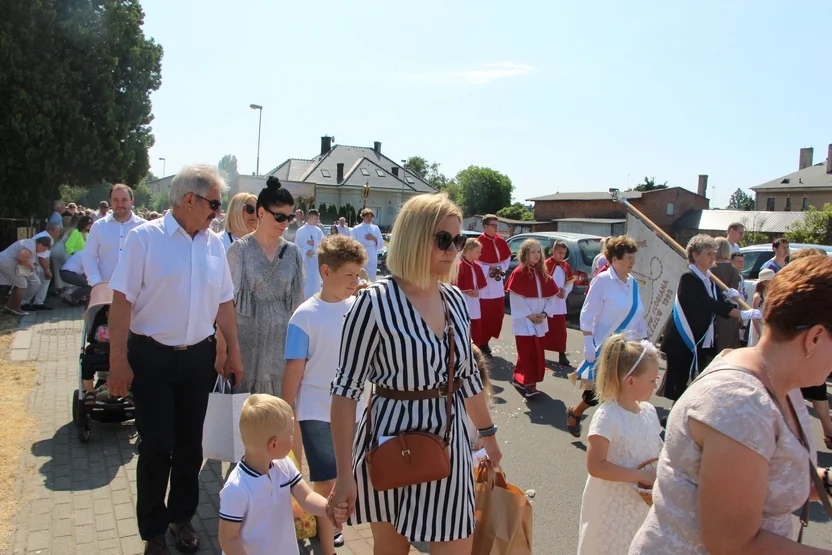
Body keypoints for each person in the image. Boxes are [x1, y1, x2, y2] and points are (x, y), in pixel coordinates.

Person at [329, 193, 501, 554]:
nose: (453, 249)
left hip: (449, 444)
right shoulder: (372, 303)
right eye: (443, 239)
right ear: (414, 237)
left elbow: (468, 377)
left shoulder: (454, 299)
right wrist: (344, 475)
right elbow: (345, 393)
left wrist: (488, 435)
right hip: (393, 442)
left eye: (458, 240)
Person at [630, 256, 832, 554]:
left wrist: (824, 481)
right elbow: (733, 544)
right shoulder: (741, 404)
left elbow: (770, 481)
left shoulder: (777, 384)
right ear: (814, 337)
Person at [106, 164, 243, 555]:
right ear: (190, 200)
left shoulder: (214, 244)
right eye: (214, 204)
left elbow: (225, 303)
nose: (217, 212)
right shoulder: (144, 239)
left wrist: (233, 351)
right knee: (156, 445)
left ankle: (182, 519)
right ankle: (153, 530)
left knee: (189, 445)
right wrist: (118, 360)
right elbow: (121, 302)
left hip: (198, 358)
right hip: (151, 357)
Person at [282, 235, 368, 555]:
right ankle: (328, 545)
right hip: (316, 412)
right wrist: (287, 412)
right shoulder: (304, 316)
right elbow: (294, 370)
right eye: (348, 275)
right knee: (326, 480)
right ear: (325, 272)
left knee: (349, 473)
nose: (354, 281)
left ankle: (332, 525)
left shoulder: (359, 309)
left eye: (358, 275)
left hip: (355, 410)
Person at [218, 394, 347, 555]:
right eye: (290, 435)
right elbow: (228, 539)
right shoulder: (236, 489)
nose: (293, 438)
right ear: (274, 444)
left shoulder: (284, 464)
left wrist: (329, 509)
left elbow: (306, 497)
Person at [578, 334, 663, 555]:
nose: (655, 386)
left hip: (639, 505)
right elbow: (596, 465)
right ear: (631, 381)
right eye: (652, 380)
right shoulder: (608, 416)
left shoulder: (648, 412)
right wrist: (642, 476)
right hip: (611, 505)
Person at [659, 235, 761, 402]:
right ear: (695, 255)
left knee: (693, 381)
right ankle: (673, 420)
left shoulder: (709, 280)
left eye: (714, 253)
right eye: (708, 253)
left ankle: (679, 415)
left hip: (701, 339)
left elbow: (719, 302)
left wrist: (730, 297)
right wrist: (742, 314)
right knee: (679, 382)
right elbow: (708, 303)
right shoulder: (689, 277)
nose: (713, 257)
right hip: (683, 339)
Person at [226, 177, 304, 396]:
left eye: (289, 217)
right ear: (261, 212)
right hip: (247, 342)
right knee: (246, 410)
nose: (285, 223)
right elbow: (226, 304)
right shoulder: (238, 250)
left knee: (280, 409)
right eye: (280, 217)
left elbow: (299, 303)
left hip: (282, 342)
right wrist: (225, 351)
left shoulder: (293, 253)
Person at [566, 236, 647, 438]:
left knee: (621, 391)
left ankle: (615, 432)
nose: (632, 261)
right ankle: (577, 412)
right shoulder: (602, 281)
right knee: (602, 391)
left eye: (633, 257)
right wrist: (587, 342)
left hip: (629, 348)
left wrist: (644, 342)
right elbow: (587, 313)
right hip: (606, 346)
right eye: (629, 257)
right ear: (616, 259)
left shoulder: (634, 284)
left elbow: (638, 314)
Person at [789, 248, 832, 450]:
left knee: (818, 390)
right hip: (797, 353)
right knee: (792, 396)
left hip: (811, 351)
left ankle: (827, 432)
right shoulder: (795, 292)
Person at [506, 238, 559, 398]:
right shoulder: (518, 273)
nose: (536, 255)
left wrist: (543, 314)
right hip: (524, 320)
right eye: (532, 252)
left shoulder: (544, 273)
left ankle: (518, 377)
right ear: (525, 254)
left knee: (534, 352)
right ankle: (530, 386)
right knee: (527, 352)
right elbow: (516, 298)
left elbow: (551, 297)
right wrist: (529, 315)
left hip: (540, 320)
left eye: (538, 252)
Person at [82, 184, 145, 287]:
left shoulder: (145, 227)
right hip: (105, 288)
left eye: (124, 200)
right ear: (110, 201)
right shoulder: (99, 226)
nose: (120, 204)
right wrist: (96, 282)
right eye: (115, 200)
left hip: (136, 291)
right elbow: (89, 255)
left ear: (132, 201)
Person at [475, 214, 511, 356]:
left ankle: (486, 340)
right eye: (493, 225)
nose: (496, 228)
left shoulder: (501, 241)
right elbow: (474, 261)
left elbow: (507, 258)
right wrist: (488, 268)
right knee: (483, 315)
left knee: (496, 315)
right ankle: (480, 343)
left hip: (497, 287)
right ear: (485, 226)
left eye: (497, 225)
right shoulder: (478, 242)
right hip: (484, 287)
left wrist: (500, 268)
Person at [0, 236, 53, 315]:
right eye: (44, 249)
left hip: (5, 262)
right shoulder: (31, 245)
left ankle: (9, 307)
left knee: (18, 284)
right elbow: (21, 257)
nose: (43, 251)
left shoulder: (30, 243)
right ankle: (16, 308)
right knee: (22, 285)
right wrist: (30, 265)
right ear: (41, 245)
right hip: (7, 263)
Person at [543, 240, 574, 366]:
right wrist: (554, 291)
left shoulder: (566, 266)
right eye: (559, 252)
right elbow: (543, 281)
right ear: (553, 251)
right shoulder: (545, 265)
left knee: (560, 330)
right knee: (544, 328)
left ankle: (561, 353)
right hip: (547, 301)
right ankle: (540, 351)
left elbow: (570, 282)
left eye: (564, 253)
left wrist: (565, 291)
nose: (561, 256)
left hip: (560, 304)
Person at [454, 238, 487, 349]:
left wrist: (477, 291)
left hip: (474, 303)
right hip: (461, 301)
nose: (480, 254)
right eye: (477, 251)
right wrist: (465, 291)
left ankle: (475, 353)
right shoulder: (458, 265)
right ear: (468, 250)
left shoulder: (477, 266)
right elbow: (451, 285)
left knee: (475, 328)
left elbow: (481, 285)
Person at [711, 237, 743, 351]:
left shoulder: (710, 269)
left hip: (714, 313)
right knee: (730, 347)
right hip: (731, 312)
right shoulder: (734, 270)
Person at [23, 223, 61, 312]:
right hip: (34, 264)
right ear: (53, 230)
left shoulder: (45, 236)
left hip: (34, 263)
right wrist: (47, 270)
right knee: (37, 282)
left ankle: (37, 302)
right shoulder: (46, 239)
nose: (58, 233)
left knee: (42, 281)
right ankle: (26, 302)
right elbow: (42, 257)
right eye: (58, 231)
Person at [295, 208, 326, 300]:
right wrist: (305, 252)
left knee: (316, 280)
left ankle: (315, 298)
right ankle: (305, 299)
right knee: (307, 280)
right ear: (311, 217)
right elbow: (296, 246)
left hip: (316, 260)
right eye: (316, 218)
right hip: (305, 260)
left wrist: (315, 243)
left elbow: (324, 242)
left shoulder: (318, 230)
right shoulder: (300, 231)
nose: (318, 221)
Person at [352, 208, 383, 281]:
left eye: (370, 217)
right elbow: (353, 243)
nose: (369, 218)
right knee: (361, 273)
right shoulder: (356, 229)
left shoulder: (375, 228)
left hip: (372, 253)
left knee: (371, 274)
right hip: (361, 253)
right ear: (363, 217)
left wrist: (374, 238)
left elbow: (381, 243)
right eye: (367, 217)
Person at [746, 268, 774, 348]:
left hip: (767, 323)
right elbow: (753, 316)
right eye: (770, 280)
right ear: (764, 282)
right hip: (758, 325)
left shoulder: (771, 294)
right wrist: (758, 332)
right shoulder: (758, 297)